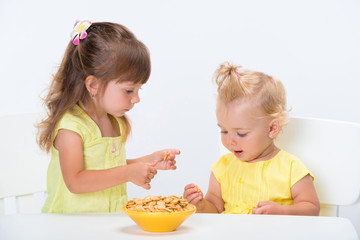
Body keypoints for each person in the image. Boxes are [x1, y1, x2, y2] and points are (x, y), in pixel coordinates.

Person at [37, 20, 180, 213]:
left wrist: (148, 160)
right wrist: (128, 173)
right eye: (129, 90)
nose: (136, 98)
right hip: (69, 227)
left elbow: (110, 168)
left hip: (106, 225)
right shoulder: (71, 128)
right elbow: (75, 181)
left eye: (139, 89)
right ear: (93, 85)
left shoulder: (114, 122)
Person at [183, 62, 320, 215]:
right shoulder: (222, 168)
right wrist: (201, 205)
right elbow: (215, 209)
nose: (230, 141)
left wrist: (282, 211)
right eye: (224, 131)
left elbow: (312, 208)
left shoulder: (291, 168)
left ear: (272, 128)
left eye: (241, 133)